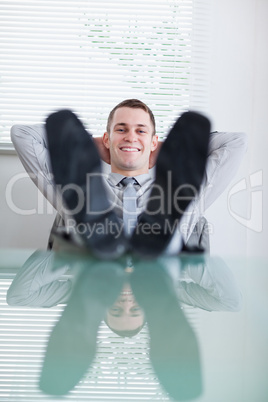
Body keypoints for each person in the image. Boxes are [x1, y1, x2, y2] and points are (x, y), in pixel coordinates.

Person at [11, 99, 247, 256]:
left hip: (162, 269)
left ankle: (159, 240)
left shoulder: (181, 186)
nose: (131, 137)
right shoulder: (77, 186)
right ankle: (103, 239)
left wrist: (167, 150)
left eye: (141, 131)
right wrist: (87, 146)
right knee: (78, 199)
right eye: (121, 130)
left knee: (178, 204)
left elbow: (235, 142)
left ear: (154, 142)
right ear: (106, 139)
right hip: (95, 267)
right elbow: (22, 134)